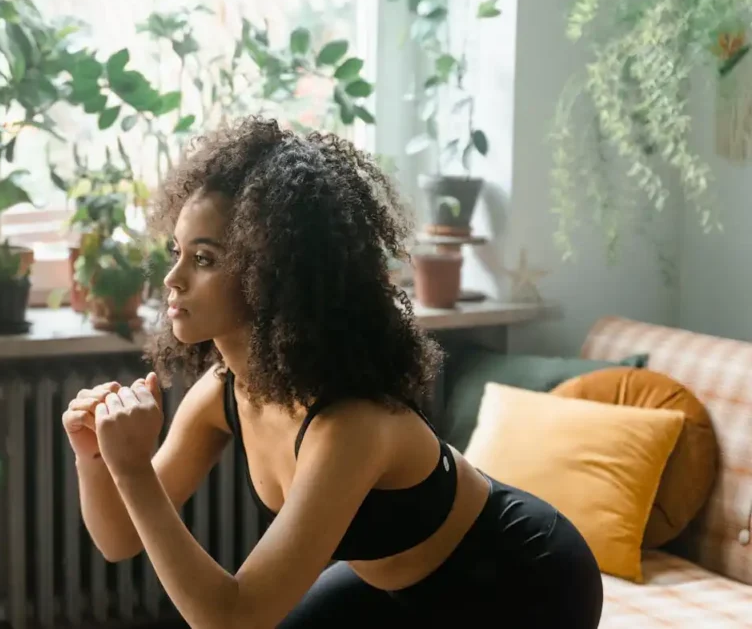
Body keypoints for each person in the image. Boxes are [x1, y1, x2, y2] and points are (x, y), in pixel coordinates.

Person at [62, 116, 604, 628]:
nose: (172, 278)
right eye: (176, 252)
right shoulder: (223, 393)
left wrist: (133, 471)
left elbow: (234, 617)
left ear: (271, 274)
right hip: (388, 589)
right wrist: (96, 456)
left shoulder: (351, 424)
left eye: (204, 259)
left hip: (519, 577)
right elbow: (118, 539)